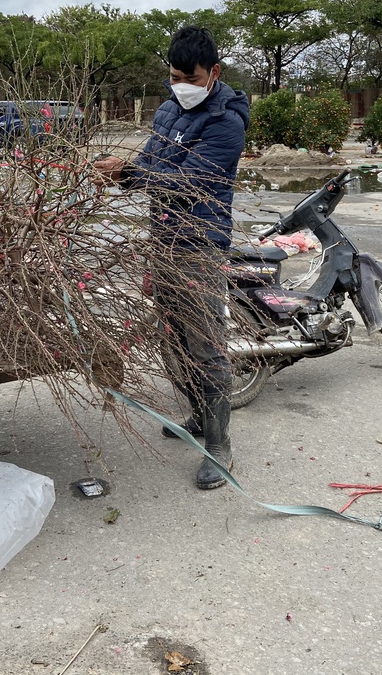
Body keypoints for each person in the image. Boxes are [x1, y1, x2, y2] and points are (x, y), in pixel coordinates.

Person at [94, 26, 248, 491]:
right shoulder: (167, 111)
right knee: (173, 338)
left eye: (189, 76)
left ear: (213, 73)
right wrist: (120, 173)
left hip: (199, 245)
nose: (179, 84)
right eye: (173, 75)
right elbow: (150, 165)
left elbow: (187, 184)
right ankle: (199, 417)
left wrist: (133, 173)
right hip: (162, 240)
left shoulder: (226, 123)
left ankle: (220, 447)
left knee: (205, 345)